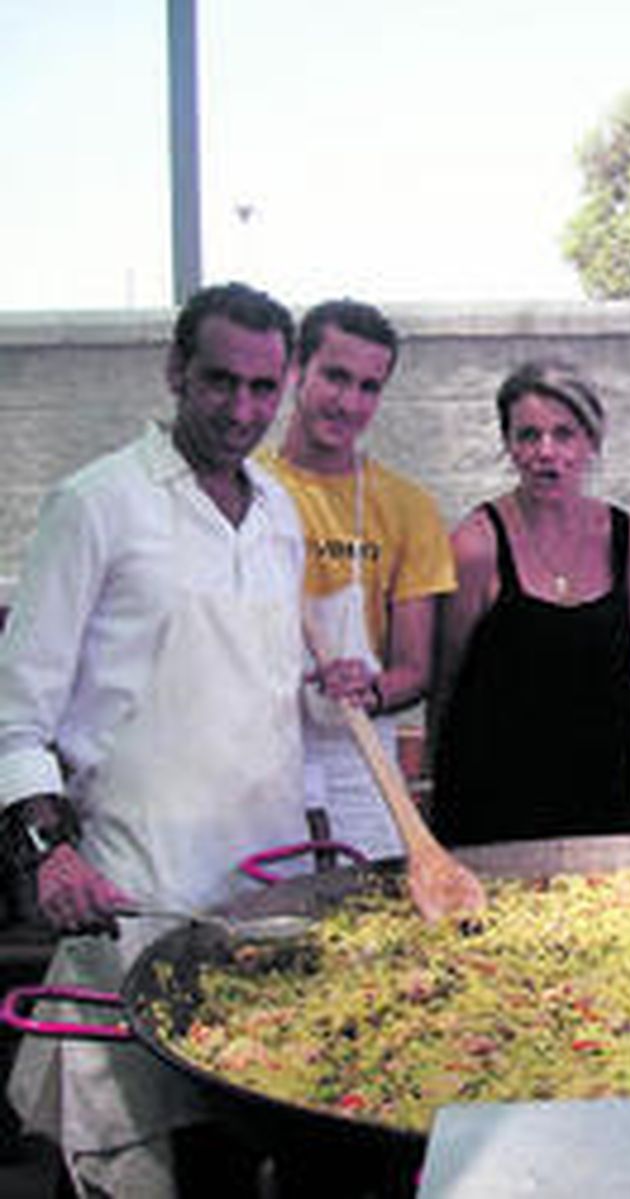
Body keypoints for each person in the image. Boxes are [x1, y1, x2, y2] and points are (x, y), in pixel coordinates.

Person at [0, 282, 308, 1196]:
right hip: (134, 894)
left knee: (234, 1151)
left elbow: (267, 702)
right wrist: (48, 853)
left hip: (263, 907)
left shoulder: (283, 513)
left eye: (263, 388)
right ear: (176, 370)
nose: (242, 409)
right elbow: (17, 709)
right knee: (126, 1161)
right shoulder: (97, 503)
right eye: (221, 381)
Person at [432, 359, 630, 844]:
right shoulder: (476, 545)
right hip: (490, 812)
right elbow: (446, 682)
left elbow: (622, 676)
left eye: (565, 434)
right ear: (509, 445)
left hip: (598, 811)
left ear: (591, 442)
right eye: (528, 436)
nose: (546, 452)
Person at [262, 299, 456, 859]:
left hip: (360, 758)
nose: (349, 402)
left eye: (369, 387)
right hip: (258, 758)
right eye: (335, 377)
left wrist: (369, 689)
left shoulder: (407, 507)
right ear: (296, 371)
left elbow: (416, 670)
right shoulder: (247, 491)